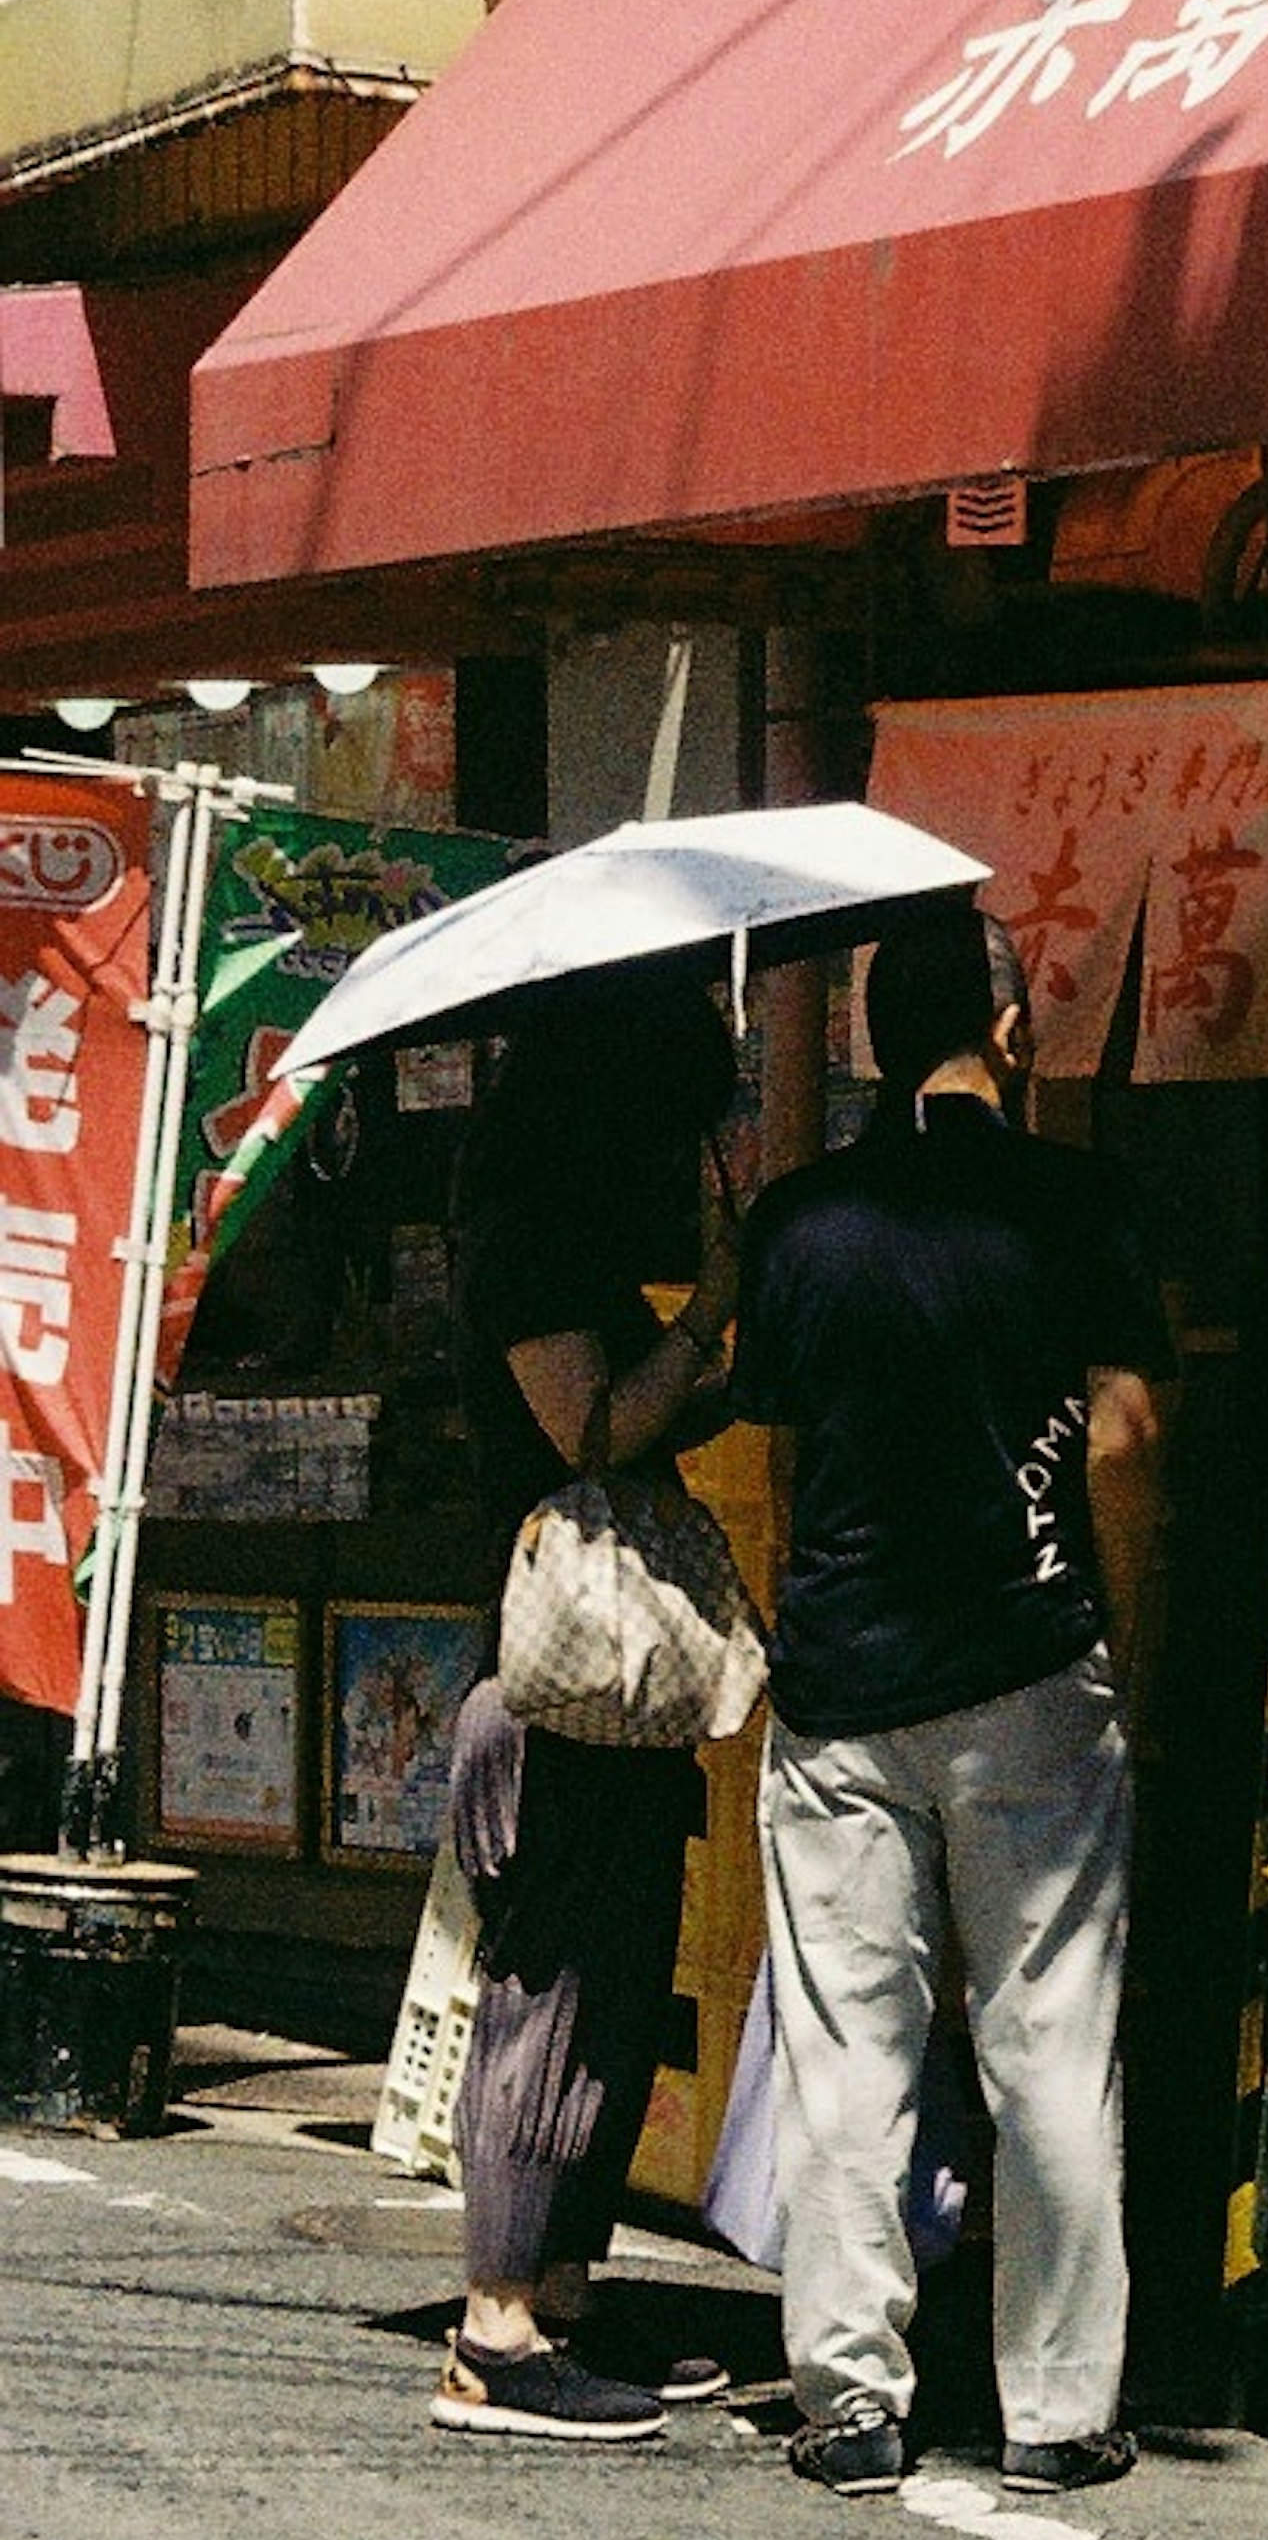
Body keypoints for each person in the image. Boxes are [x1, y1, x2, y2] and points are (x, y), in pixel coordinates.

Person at [733, 902, 1168, 2506]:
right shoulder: (1076, 1207)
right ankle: (1058, 2407)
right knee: (1050, 2043)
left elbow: (785, 1459)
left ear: (861, 1039)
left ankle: (849, 2401)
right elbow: (1123, 1442)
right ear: (1013, 1028)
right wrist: (1136, 1654)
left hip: (843, 1681)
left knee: (851, 2055)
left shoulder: (801, 1222)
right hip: (1034, 1669)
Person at [433, 965, 746, 2447]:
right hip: (550, 1681)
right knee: (550, 1985)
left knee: (612, 1974)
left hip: (601, 1683)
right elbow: (592, 1427)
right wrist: (705, 1336)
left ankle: (558, 2292)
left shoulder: (555, 1228)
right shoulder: (530, 1241)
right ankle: (493, 2332)